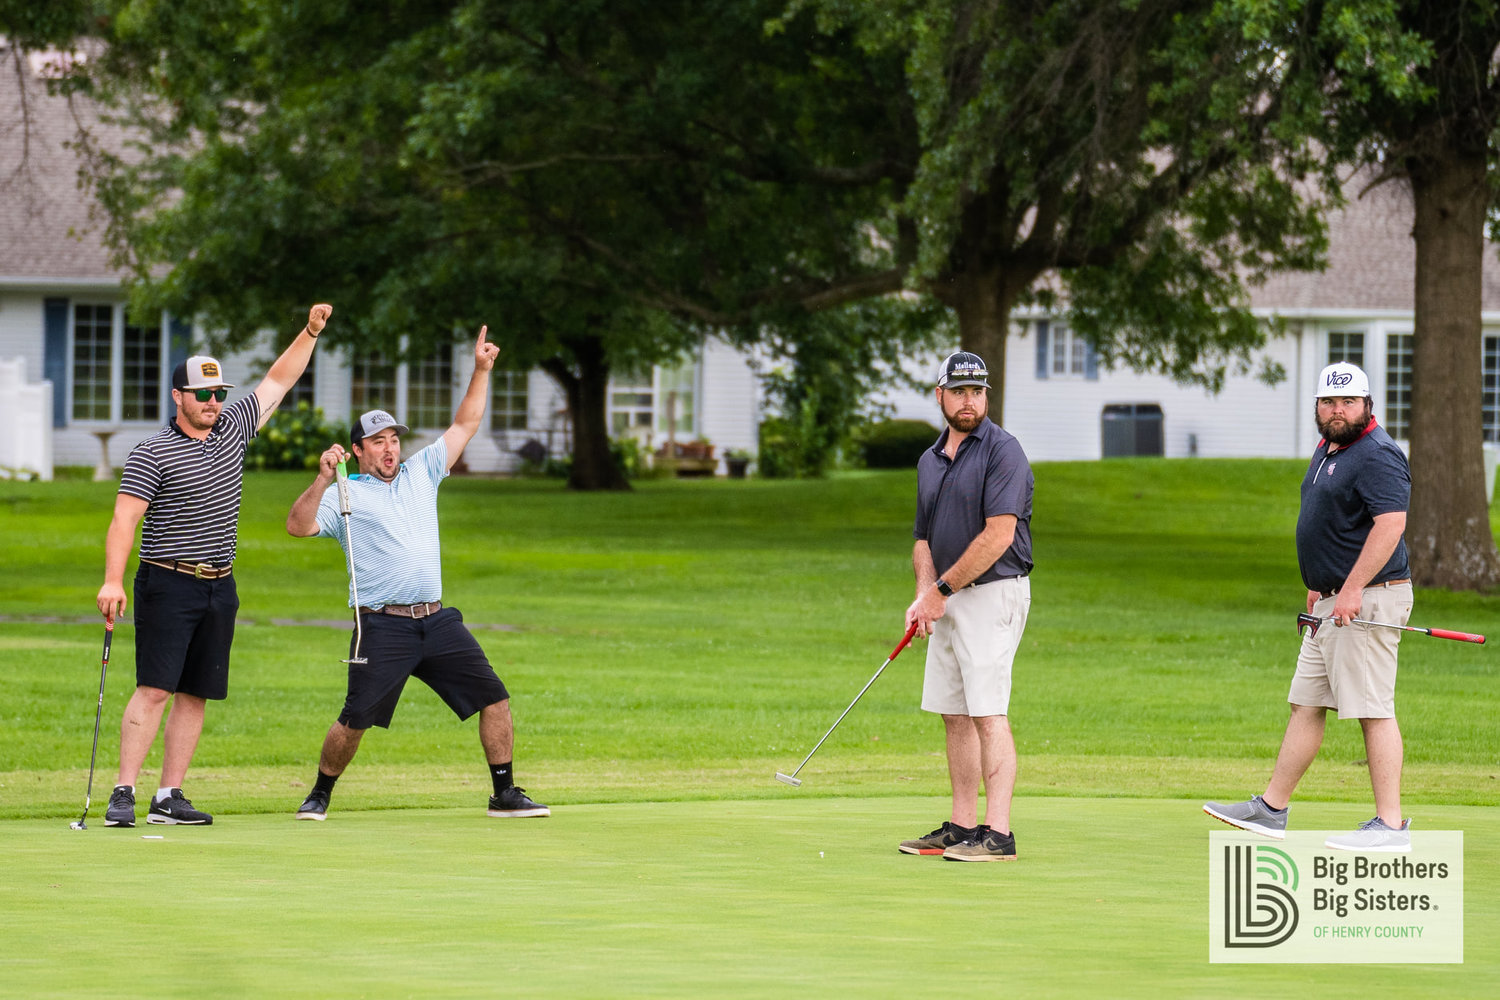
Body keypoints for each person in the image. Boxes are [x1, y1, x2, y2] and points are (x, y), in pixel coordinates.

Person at [284, 325, 548, 822]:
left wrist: (482, 370)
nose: (389, 449)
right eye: (377, 442)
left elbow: (465, 424)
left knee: (495, 698)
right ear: (358, 450)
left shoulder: (422, 472)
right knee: (356, 718)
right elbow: (297, 527)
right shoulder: (346, 494)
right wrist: (322, 479)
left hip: (436, 620)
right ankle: (320, 793)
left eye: (393, 440)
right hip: (381, 624)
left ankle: (504, 793)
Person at [95, 303, 333, 827]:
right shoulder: (152, 452)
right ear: (178, 396)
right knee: (155, 687)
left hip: (219, 585)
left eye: (219, 393)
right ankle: (124, 792)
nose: (213, 402)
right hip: (166, 581)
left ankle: (168, 796)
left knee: (196, 691)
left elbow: (277, 381)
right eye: (203, 394)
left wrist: (310, 332)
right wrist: (113, 579)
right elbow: (122, 520)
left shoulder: (232, 430)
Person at [1205, 361, 1414, 852]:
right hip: (1331, 601)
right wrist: (1320, 586)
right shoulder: (1329, 447)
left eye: (1347, 402)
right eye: (1328, 402)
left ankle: (1391, 824)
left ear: (1367, 405)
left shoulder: (1379, 454)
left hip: (1367, 599)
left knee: (1372, 710)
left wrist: (1353, 588)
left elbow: (1390, 527)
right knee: (1307, 704)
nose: (1336, 411)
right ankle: (1272, 808)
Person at [898, 350, 1034, 862]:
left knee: (987, 712)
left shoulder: (1005, 452)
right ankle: (960, 824)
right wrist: (924, 593)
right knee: (954, 713)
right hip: (950, 598)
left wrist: (941, 592)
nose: (969, 401)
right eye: (959, 391)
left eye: (977, 392)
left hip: (994, 594)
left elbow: (998, 535)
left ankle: (997, 834)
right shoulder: (930, 460)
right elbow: (922, 539)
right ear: (940, 396)